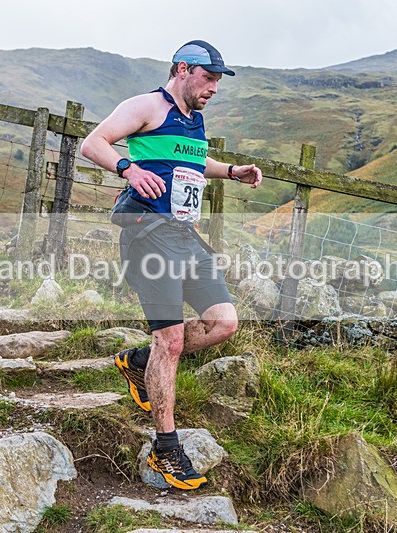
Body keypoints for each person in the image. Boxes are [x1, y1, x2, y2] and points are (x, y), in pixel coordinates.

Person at [80, 40, 262, 490]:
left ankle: (138, 362)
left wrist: (232, 170)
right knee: (172, 342)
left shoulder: (194, 121)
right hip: (148, 234)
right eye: (210, 78)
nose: (215, 88)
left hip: (183, 235)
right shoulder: (146, 106)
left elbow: (193, 162)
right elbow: (92, 143)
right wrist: (127, 168)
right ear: (183, 69)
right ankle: (166, 450)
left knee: (224, 322)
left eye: (219, 80)